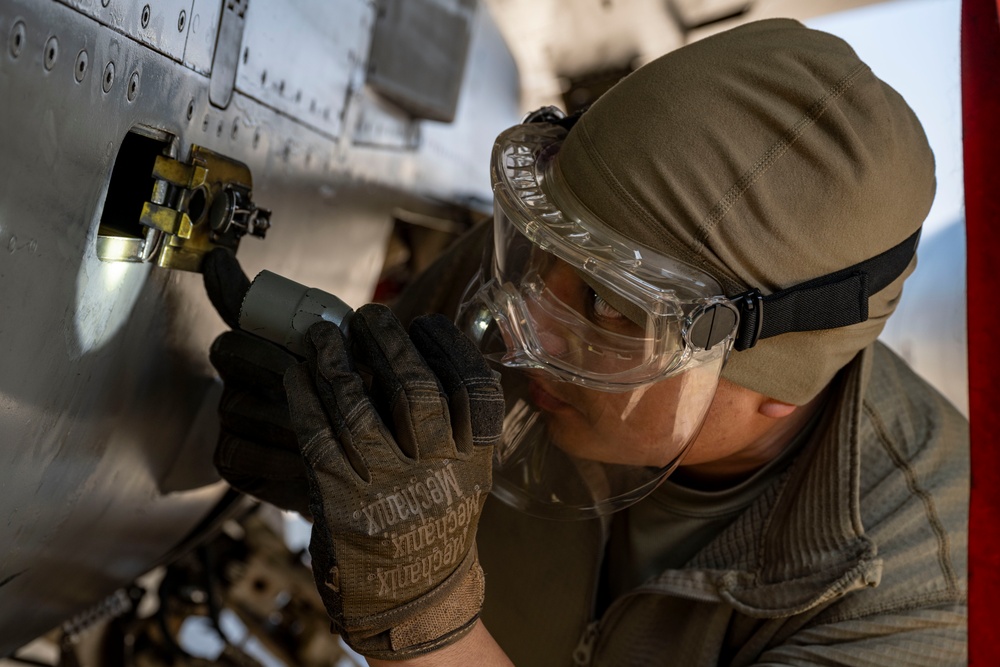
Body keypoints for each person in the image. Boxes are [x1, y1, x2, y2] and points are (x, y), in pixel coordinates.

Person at [204, 18, 968, 666]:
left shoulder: (916, 597)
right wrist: (346, 469)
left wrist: (423, 612)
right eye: (540, 248)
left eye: (607, 303)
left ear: (779, 383)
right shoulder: (539, 286)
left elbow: (416, 590)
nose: (521, 324)